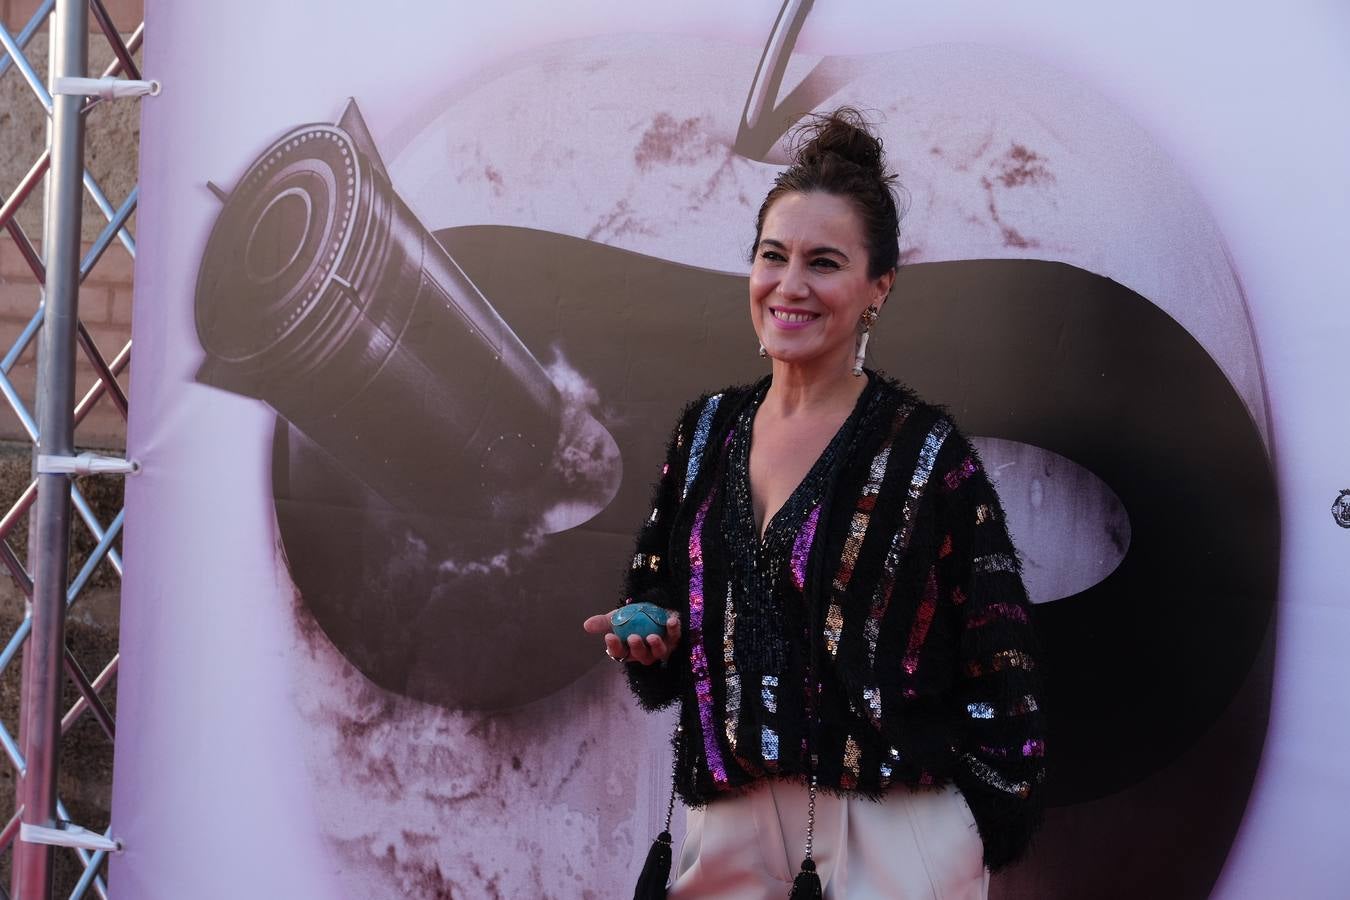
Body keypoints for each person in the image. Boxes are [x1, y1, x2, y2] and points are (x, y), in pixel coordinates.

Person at [583, 107, 1046, 900]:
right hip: (726, 824)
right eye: (773, 256)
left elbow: (1000, 660)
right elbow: (661, 593)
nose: (789, 286)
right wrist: (651, 632)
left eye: (824, 263)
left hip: (890, 832)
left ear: (878, 288)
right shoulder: (707, 434)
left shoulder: (926, 456)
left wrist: (964, 827)